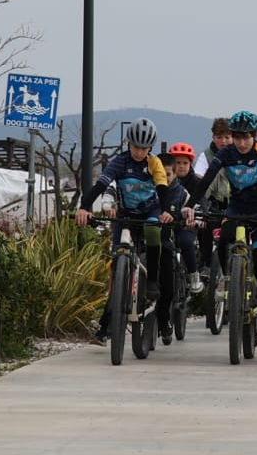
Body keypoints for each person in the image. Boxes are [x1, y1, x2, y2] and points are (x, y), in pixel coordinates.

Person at [181, 110, 257, 346]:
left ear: (255, 136)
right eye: (237, 137)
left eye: (247, 137)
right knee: (224, 240)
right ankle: (227, 278)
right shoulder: (225, 153)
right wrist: (189, 205)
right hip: (236, 209)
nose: (242, 143)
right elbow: (206, 181)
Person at [76, 117, 174, 344]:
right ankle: (107, 325)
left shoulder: (154, 164)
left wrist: (166, 211)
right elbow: (100, 185)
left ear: (150, 148)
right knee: (117, 264)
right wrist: (84, 207)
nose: (139, 152)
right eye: (135, 147)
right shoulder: (119, 162)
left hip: (150, 211)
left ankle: (152, 281)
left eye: (144, 148)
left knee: (153, 230)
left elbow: (162, 188)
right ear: (128, 143)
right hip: (126, 215)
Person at [153, 152, 191, 344]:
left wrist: (191, 218)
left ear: (175, 174)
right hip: (147, 241)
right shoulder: (147, 189)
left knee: (168, 287)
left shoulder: (182, 193)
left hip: (168, 241)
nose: (163, 178)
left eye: (167, 174)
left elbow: (193, 208)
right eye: (158, 174)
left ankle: (164, 320)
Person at [193, 118, 233, 280]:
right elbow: (199, 179)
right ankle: (207, 263)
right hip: (213, 202)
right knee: (205, 224)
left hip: (235, 202)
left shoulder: (238, 154)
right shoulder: (206, 156)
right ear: (213, 137)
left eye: (227, 137)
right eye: (219, 137)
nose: (223, 141)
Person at [167, 142, 203, 293]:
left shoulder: (197, 183)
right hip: (167, 222)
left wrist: (196, 220)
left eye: (185, 163)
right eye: (178, 163)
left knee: (186, 241)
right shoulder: (165, 180)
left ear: (190, 164)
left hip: (187, 224)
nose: (181, 166)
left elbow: (203, 205)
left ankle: (193, 275)